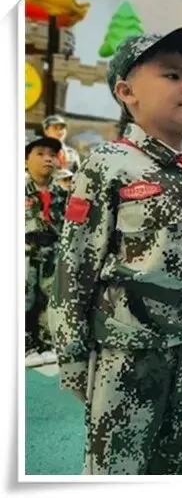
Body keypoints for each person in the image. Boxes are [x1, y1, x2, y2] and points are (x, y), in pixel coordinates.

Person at [48, 27, 182, 474]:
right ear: (126, 92)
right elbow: (75, 263)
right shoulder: (109, 164)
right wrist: (72, 353)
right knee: (119, 469)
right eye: (172, 75)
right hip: (131, 351)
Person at [25, 135, 66, 368]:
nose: (48, 159)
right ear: (26, 160)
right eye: (40, 154)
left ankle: (47, 343)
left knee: (51, 297)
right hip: (25, 252)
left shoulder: (61, 193)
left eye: (52, 155)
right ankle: (25, 345)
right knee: (24, 298)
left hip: (52, 252)